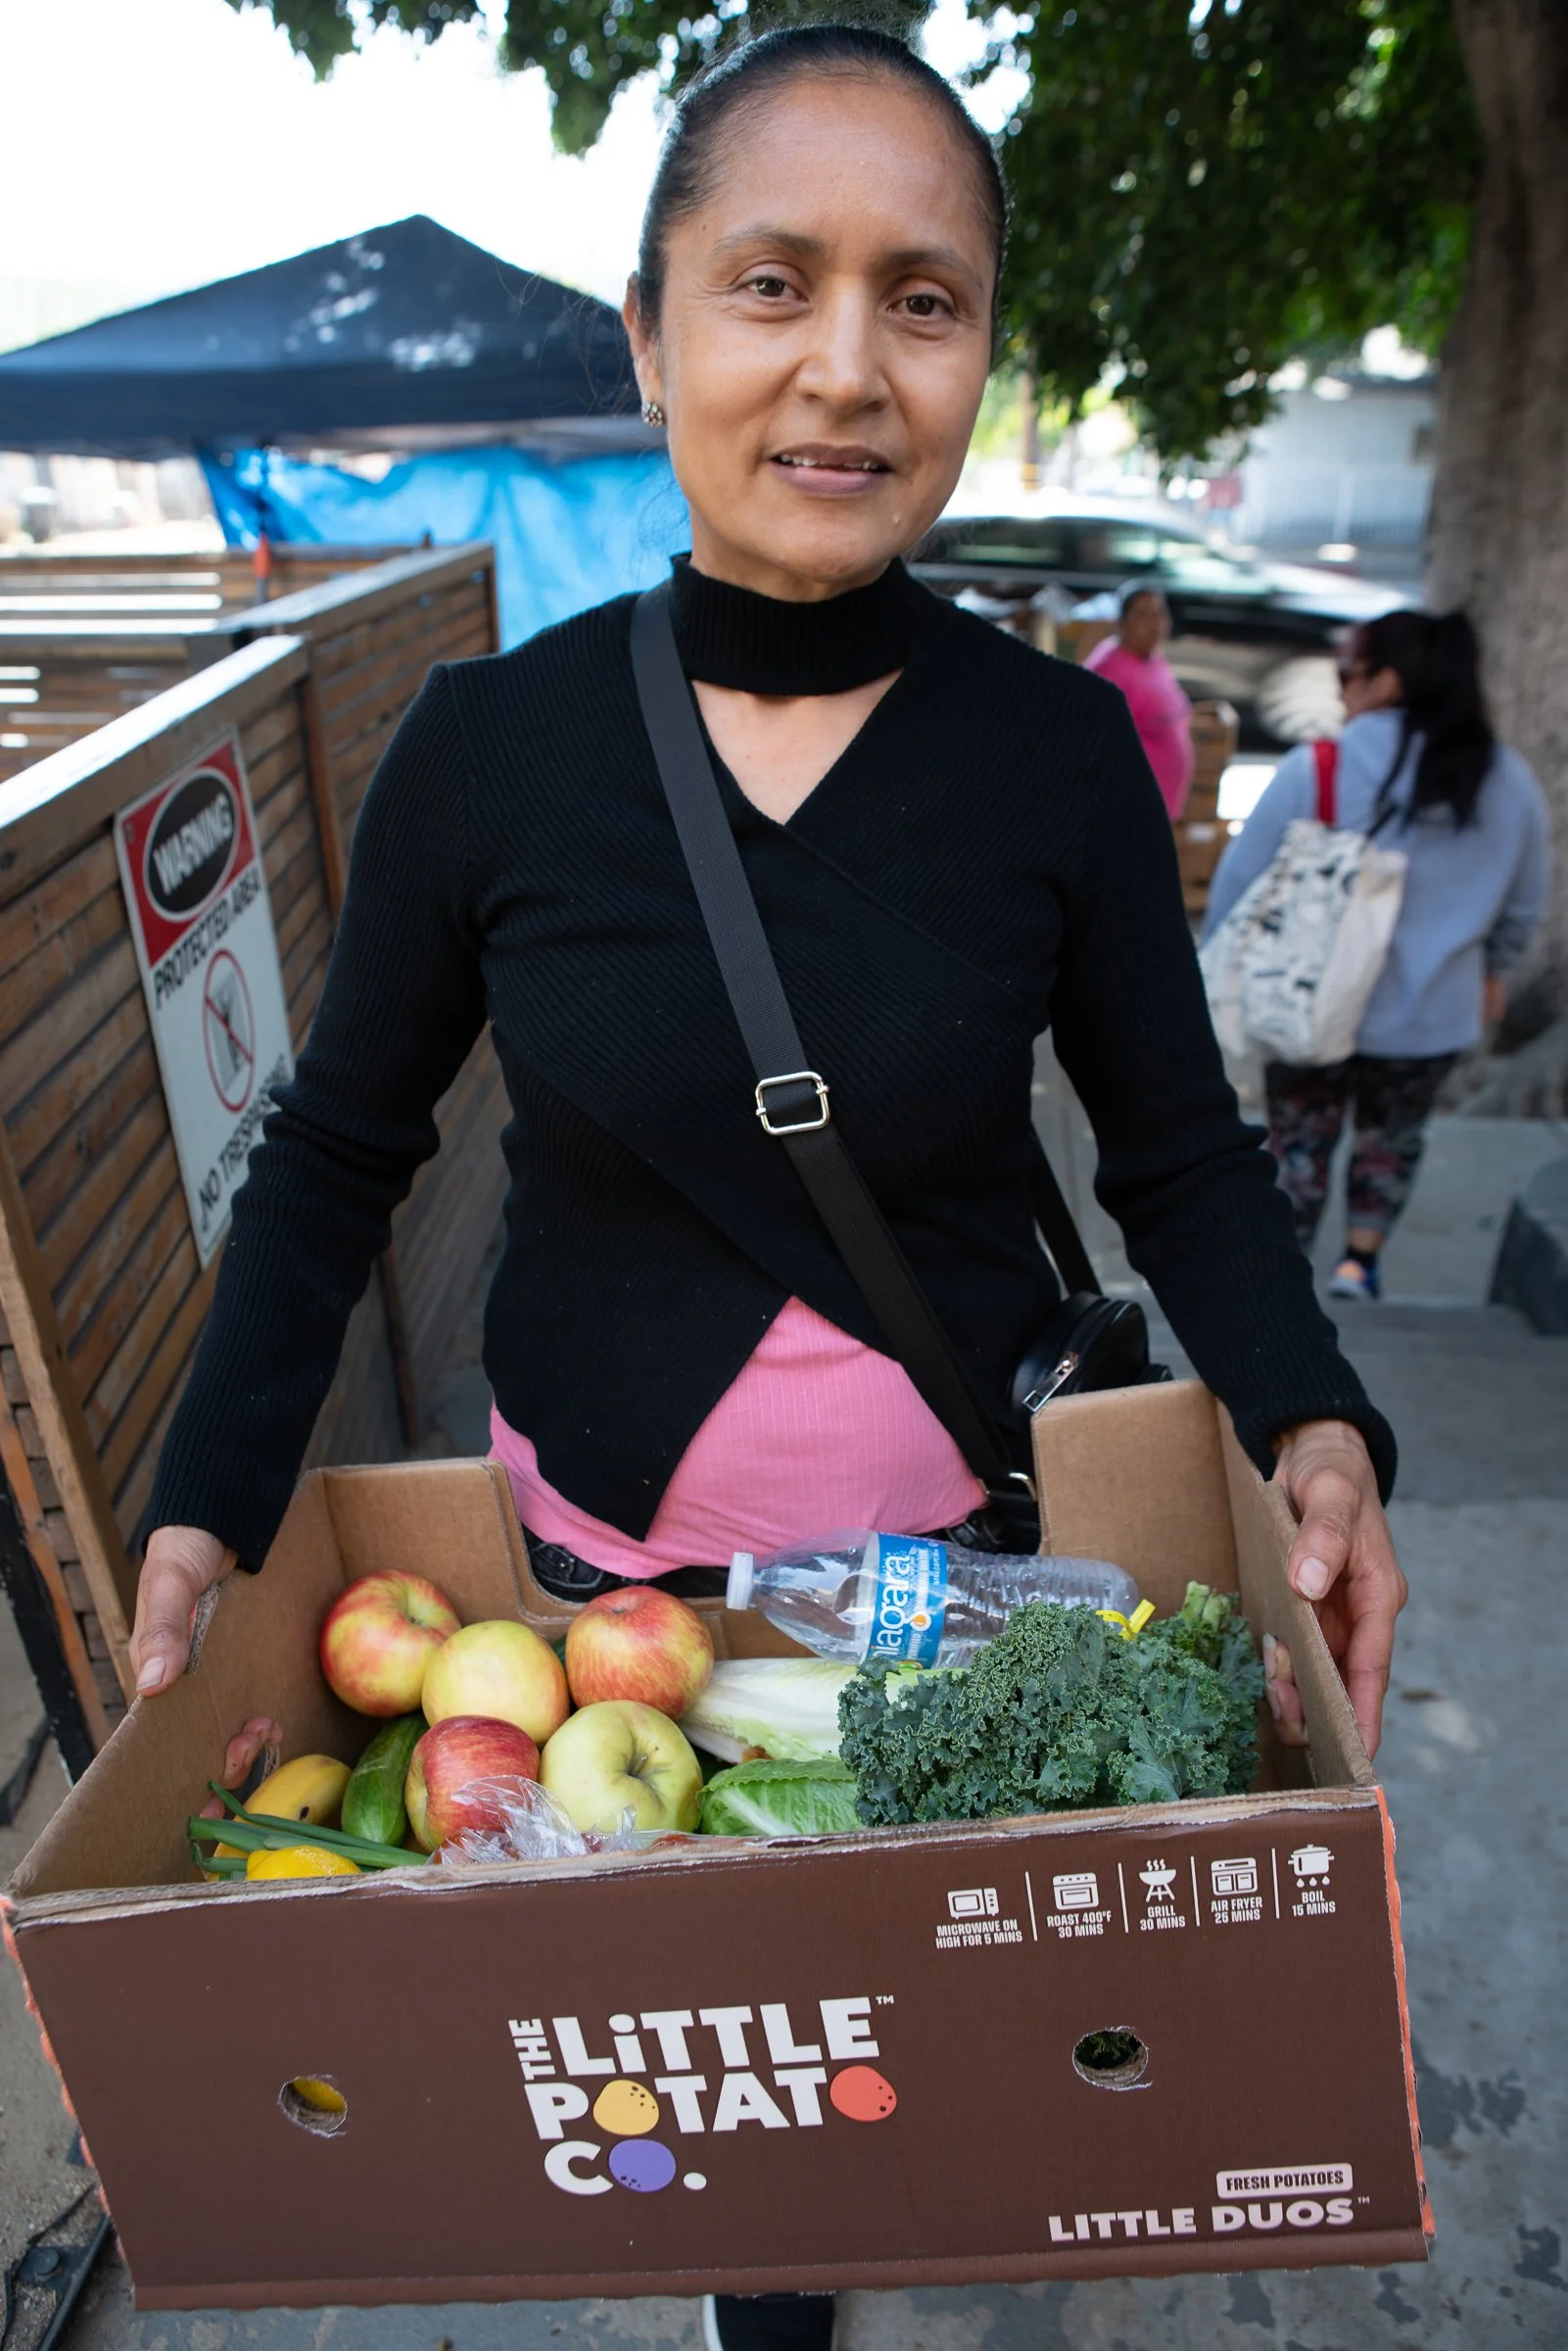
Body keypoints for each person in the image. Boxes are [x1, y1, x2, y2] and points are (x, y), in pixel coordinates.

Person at [129, 27, 1407, 2348]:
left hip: (933, 1571)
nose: (842, 366)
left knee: (887, 2005)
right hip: (598, 1561)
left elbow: (1180, 1152)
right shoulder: (487, 753)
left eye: (919, 299)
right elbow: (334, 1155)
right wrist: (204, 1501)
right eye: (766, 283)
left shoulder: (1046, 748)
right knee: (697, 2065)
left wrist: (1320, 1424)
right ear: (645, 332)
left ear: (978, 355)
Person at [1205, 608, 1549, 1301]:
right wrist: (1494, 972)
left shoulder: (1320, 766)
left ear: (1387, 681)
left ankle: (1287, 1275)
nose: (1339, 693)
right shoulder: (1505, 780)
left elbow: (1239, 886)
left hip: (1308, 1006)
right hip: (1431, 1013)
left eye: (1346, 676)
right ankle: (1359, 1266)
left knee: (1297, 1139)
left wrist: (1218, 967)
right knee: (1392, 1138)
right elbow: (1522, 900)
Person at [1082, 581, 1194, 817]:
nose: (1155, 624)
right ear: (1122, 622)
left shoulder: (1153, 657)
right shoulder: (1109, 671)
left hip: (1159, 809)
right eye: (1143, 615)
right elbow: (1095, 746)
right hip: (1128, 811)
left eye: (1159, 613)